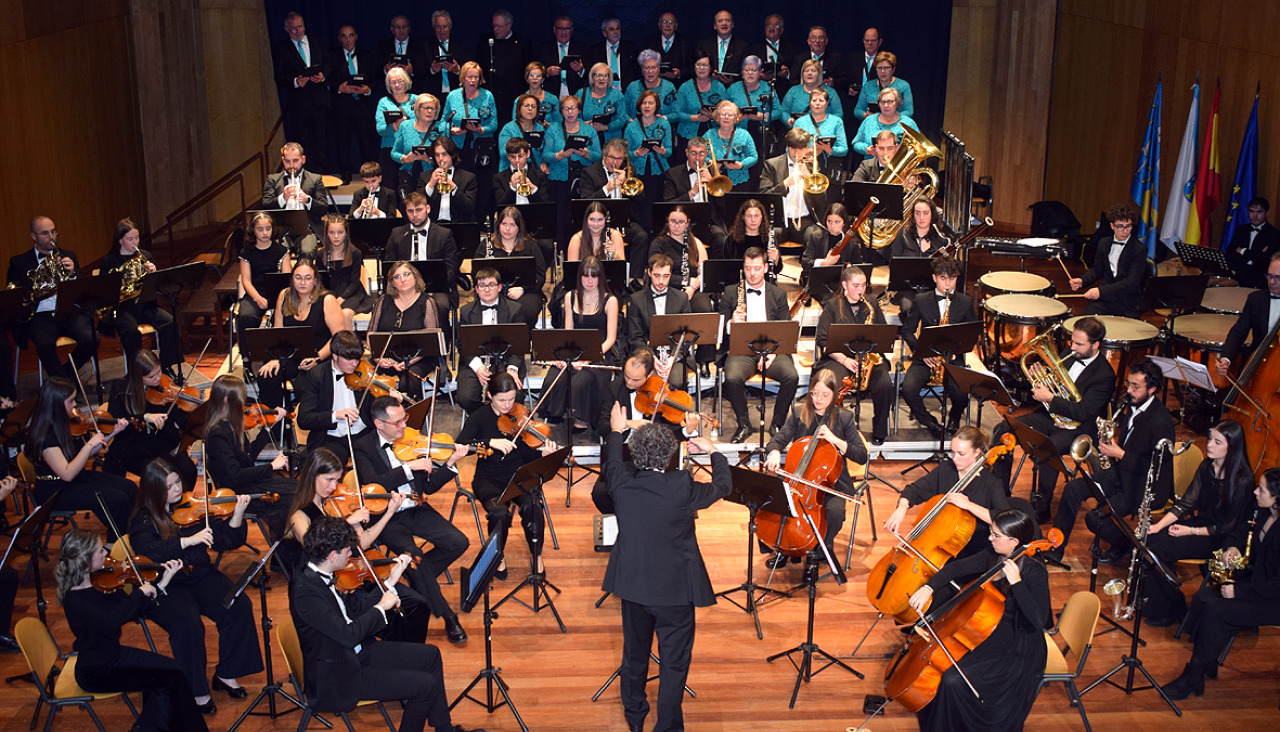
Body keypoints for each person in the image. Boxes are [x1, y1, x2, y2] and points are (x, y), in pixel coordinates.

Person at [289, 515, 483, 732]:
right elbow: (349, 635)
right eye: (347, 551)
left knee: (431, 655)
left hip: (354, 653)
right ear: (333, 555)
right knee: (426, 686)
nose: (351, 555)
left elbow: (355, 611)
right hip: (340, 675)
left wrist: (390, 582)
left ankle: (445, 729)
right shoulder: (306, 593)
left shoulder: (323, 572)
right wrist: (381, 607)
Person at [602, 410, 729, 732]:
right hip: (675, 591)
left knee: (635, 653)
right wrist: (713, 451)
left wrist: (616, 431)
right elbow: (723, 485)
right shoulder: (682, 486)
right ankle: (668, 727)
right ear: (670, 453)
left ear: (635, 455)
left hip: (633, 586)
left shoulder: (621, 483)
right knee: (674, 664)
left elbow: (612, 462)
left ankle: (635, 716)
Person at [128, 458, 263, 712]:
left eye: (177, 482)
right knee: (188, 625)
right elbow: (149, 552)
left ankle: (227, 673)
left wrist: (237, 515)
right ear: (154, 491)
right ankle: (195, 690)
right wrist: (187, 541)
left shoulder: (193, 506)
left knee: (238, 605)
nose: (177, 489)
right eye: (169, 487)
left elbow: (225, 540)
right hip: (167, 583)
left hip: (198, 573)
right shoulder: (143, 520)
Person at [906, 509, 1050, 732]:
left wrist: (1017, 583)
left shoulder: (1035, 571)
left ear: (1014, 542)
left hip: (1018, 644)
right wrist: (928, 588)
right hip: (987, 629)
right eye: (992, 532)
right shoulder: (994, 555)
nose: (990, 538)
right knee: (939, 673)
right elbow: (956, 567)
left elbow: (1039, 619)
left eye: (996, 536)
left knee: (952, 680)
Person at [55, 529, 209, 728]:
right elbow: (110, 621)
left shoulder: (101, 581)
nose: (106, 553)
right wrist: (138, 594)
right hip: (97, 671)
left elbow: (133, 613)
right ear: (85, 560)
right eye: (100, 551)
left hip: (113, 656)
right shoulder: (75, 599)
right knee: (170, 678)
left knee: (171, 673)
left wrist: (162, 584)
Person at [353, 396, 471, 643]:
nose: (404, 425)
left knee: (458, 542)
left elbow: (428, 487)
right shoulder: (362, 447)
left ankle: (414, 575)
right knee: (415, 556)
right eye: (397, 422)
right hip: (387, 517)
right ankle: (448, 616)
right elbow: (374, 484)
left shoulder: (411, 440)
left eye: (404, 418)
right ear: (379, 423)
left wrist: (450, 464)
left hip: (416, 509)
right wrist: (409, 468)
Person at [1162, 467, 1280, 700]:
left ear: (1277, 498)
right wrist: (1232, 547)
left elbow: (1276, 586)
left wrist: (1238, 591)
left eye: (1262, 490)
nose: (1255, 492)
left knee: (1217, 610)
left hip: (1272, 600)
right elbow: (1241, 531)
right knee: (1203, 597)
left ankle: (1194, 675)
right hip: (1255, 583)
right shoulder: (1264, 512)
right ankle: (1208, 662)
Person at [1049, 359, 1174, 562]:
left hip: (1143, 486)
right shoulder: (1132, 404)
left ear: (1152, 389)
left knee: (1094, 519)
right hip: (1122, 473)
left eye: (1136, 386)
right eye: (1128, 384)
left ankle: (1125, 544)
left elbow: (1155, 468)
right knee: (1073, 489)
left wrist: (1120, 454)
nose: (1129, 390)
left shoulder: (1161, 422)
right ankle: (1056, 547)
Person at [990, 316, 1114, 521]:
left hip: (1078, 428)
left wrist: (1050, 398)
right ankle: (1001, 495)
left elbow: (1084, 412)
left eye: (1079, 344)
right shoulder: (1069, 354)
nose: (1073, 347)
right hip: (1051, 417)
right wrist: (1038, 379)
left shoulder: (1105, 375)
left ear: (1096, 345)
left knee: (1049, 447)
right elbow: (1052, 387)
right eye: (1072, 341)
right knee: (1003, 429)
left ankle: (1042, 508)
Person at [1141, 420, 1256, 627]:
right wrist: (1158, 526)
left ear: (1231, 447)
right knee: (1149, 541)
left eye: (1217, 442)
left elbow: (1226, 527)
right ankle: (1159, 603)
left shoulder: (1243, 481)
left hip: (1220, 539)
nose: (1209, 445)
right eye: (1211, 439)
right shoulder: (1207, 466)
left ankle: (1174, 609)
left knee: (1159, 552)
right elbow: (1186, 503)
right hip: (1199, 526)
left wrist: (1189, 531)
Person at [455, 372, 561, 578]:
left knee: (533, 507)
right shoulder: (479, 417)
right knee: (499, 514)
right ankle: (498, 555)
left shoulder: (520, 415)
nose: (507, 405)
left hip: (519, 475)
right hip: (489, 478)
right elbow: (461, 445)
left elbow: (527, 453)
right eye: (501, 400)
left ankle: (536, 555)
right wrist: (489, 442)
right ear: (490, 396)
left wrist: (543, 454)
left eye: (511, 399)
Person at [763, 368, 868, 566]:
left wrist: (835, 440)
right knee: (773, 501)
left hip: (831, 483)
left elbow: (861, 455)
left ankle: (819, 549)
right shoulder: (799, 413)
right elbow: (776, 441)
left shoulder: (845, 418)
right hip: (798, 478)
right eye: (815, 393)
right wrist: (774, 452)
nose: (819, 399)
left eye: (825, 395)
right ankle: (784, 547)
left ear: (834, 395)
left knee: (835, 512)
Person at [25, 377, 135, 539]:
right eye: (71, 401)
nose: (75, 404)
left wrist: (112, 433)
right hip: (55, 490)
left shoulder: (66, 423)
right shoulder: (46, 436)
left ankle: (132, 533)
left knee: (129, 487)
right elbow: (67, 474)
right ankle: (114, 542)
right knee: (117, 500)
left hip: (76, 478)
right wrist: (89, 445)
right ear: (56, 404)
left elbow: (83, 456)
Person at [590, 347, 696, 514]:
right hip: (624, 456)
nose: (629, 383)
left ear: (649, 375)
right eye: (627, 376)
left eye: (636, 380)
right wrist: (628, 423)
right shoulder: (614, 388)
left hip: (654, 459)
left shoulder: (660, 392)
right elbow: (602, 426)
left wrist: (687, 431)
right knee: (600, 493)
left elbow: (671, 435)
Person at [887, 427, 1011, 564]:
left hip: (971, 551)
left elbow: (1004, 520)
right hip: (937, 542)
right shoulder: (946, 470)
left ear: (977, 452)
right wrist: (902, 508)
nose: (955, 459)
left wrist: (969, 505)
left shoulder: (991, 482)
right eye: (953, 452)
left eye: (961, 454)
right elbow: (914, 490)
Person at [719, 247, 798, 442]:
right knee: (732, 378)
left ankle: (778, 423)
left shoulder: (778, 294)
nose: (752, 273)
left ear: (765, 268)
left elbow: (785, 328)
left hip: (773, 350)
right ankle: (744, 424)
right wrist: (732, 323)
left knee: (791, 376)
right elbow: (718, 330)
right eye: (748, 268)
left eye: (756, 268)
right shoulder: (730, 293)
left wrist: (773, 353)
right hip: (741, 351)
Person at [203, 375, 295, 542]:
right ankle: (284, 549)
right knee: (291, 497)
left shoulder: (231, 424)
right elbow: (235, 476)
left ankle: (289, 545)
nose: (244, 404)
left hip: (247, 483)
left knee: (297, 488)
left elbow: (248, 457)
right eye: (240, 399)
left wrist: (269, 427)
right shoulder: (218, 435)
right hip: (237, 492)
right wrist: (271, 467)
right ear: (226, 400)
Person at [8, 216, 97, 381]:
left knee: (92, 338)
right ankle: (64, 385)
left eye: (53, 232)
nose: (51, 237)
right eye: (45, 233)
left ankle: (65, 378)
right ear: (33, 236)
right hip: (40, 316)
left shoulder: (68, 255)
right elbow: (14, 297)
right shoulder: (19, 262)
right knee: (44, 344)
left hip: (67, 312)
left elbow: (82, 291)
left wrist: (72, 274)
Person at [899, 256, 979, 438]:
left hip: (953, 359)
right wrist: (922, 352)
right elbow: (908, 331)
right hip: (926, 358)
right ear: (934, 278)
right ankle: (929, 422)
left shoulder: (966, 302)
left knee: (961, 394)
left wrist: (957, 351)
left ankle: (954, 418)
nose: (948, 283)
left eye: (952, 278)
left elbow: (972, 334)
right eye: (943, 278)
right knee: (908, 388)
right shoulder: (921, 300)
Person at [813, 266, 892, 444]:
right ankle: (834, 430)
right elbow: (822, 340)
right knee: (834, 383)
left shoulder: (871, 302)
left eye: (863, 285)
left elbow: (885, 334)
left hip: (868, 358)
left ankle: (880, 429)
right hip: (839, 358)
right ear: (845, 285)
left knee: (885, 384)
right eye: (856, 286)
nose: (860, 290)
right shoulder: (833, 305)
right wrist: (844, 359)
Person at [255, 257, 345, 409]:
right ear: (292, 279)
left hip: (320, 357)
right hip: (290, 355)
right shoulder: (284, 296)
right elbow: (278, 331)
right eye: (298, 277)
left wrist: (317, 358)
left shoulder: (327, 300)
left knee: (304, 388)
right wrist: (275, 358)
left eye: (307, 278)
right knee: (266, 376)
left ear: (315, 280)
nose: (302, 282)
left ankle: (303, 419)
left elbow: (339, 337)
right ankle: (280, 417)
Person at [103, 349, 198, 489]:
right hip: (136, 448)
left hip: (163, 443)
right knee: (160, 478)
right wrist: (144, 417)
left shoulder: (165, 386)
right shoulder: (121, 388)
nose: (158, 378)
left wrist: (195, 420)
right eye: (151, 376)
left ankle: (180, 501)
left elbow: (178, 416)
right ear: (137, 376)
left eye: (159, 371)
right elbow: (116, 420)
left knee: (189, 471)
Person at [543, 255, 620, 427]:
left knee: (579, 382)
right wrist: (563, 357)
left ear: (600, 278)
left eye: (594, 276)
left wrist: (588, 359)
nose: (590, 281)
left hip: (600, 354)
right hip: (574, 351)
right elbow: (568, 332)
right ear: (580, 277)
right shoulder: (570, 297)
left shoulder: (610, 301)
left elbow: (610, 339)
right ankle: (557, 413)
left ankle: (581, 418)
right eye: (586, 276)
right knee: (553, 378)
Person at [99, 218, 180, 375]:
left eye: (137, 238)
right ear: (120, 240)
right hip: (123, 308)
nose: (135, 242)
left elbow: (157, 287)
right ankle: (137, 372)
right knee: (131, 332)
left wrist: (154, 274)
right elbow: (105, 290)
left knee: (169, 321)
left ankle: (166, 367)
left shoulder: (145, 256)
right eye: (130, 239)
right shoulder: (109, 261)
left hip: (146, 305)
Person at [295, 330, 378, 461]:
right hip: (331, 438)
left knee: (380, 464)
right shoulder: (317, 375)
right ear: (335, 356)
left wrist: (388, 399)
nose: (354, 364)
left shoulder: (364, 372)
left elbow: (374, 410)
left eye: (357, 358)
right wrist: (336, 415)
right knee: (330, 467)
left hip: (363, 434)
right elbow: (304, 419)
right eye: (349, 359)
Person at [366, 263, 444, 399]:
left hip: (419, 358)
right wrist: (378, 358)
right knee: (368, 377)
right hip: (386, 358)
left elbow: (431, 341)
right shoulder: (383, 300)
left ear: (415, 277)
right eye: (397, 277)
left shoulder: (427, 302)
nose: (402, 279)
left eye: (406, 274)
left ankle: (409, 411)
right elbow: (371, 332)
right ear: (392, 283)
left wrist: (409, 362)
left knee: (408, 382)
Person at [455, 268, 525, 413]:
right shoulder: (466, 311)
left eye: (491, 285)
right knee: (466, 397)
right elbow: (462, 344)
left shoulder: (515, 309)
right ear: (476, 289)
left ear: (499, 287)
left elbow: (519, 344)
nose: (487, 289)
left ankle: (503, 419)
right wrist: (478, 368)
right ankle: (484, 417)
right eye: (482, 285)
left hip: (506, 361)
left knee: (514, 396)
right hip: (476, 361)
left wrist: (512, 369)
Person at [384, 191, 460, 315]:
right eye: (410, 211)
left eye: (419, 210)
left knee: (440, 305)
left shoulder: (444, 234)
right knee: (388, 305)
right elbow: (390, 267)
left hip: (436, 288)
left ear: (427, 209)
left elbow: (451, 269)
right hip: (404, 287)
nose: (415, 215)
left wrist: (431, 288)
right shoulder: (396, 234)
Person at [1069, 203, 1148, 318]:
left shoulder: (1139, 249)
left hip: (1127, 302)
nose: (1125, 231)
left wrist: (1100, 291)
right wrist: (1082, 280)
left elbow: (1131, 282)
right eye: (1120, 226)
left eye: (1128, 226)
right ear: (1112, 226)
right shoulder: (1104, 243)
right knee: (1087, 321)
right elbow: (1097, 270)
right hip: (1105, 299)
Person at [272, 13, 329, 174]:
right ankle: (306, 175)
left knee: (321, 139)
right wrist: (296, 82)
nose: (298, 31)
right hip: (299, 104)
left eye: (300, 27)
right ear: (286, 29)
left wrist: (322, 76)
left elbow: (328, 64)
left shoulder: (317, 42)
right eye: (293, 29)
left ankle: (323, 175)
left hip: (319, 101)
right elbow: (279, 77)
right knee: (303, 141)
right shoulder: (281, 49)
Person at [626, 254, 691, 391]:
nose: (661, 281)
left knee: (676, 382)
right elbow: (635, 337)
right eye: (657, 275)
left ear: (671, 274)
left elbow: (686, 335)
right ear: (649, 273)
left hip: (675, 354)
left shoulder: (682, 298)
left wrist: (672, 358)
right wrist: (652, 359)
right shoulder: (636, 300)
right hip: (647, 354)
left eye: (666, 276)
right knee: (646, 383)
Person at [544, 94, 602, 246]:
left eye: (573, 108)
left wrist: (586, 154)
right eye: (565, 109)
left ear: (579, 110)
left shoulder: (588, 130)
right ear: (561, 111)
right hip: (559, 181)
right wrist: (560, 155)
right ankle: (561, 253)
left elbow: (598, 156)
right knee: (560, 220)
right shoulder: (553, 129)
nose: (569, 112)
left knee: (580, 217)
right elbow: (545, 154)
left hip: (582, 181)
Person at [1217, 251, 1280, 379]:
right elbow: (1238, 332)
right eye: (1269, 276)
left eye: (1278, 277)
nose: (1272, 282)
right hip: (1257, 365)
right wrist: (1225, 358)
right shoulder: (1256, 299)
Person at [761, 128, 828, 246]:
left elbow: (822, 200)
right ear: (787, 147)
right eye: (793, 148)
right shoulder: (772, 164)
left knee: (817, 236)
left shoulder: (812, 166)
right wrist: (785, 184)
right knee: (768, 237)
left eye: (801, 149)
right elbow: (763, 195)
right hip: (780, 220)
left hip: (804, 220)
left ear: (807, 148)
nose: (796, 153)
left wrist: (809, 178)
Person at [327, 24, 377, 181]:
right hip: (342, 106)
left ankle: (369, 174)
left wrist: (368, 89)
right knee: (342, 141)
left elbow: (375, 79)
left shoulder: (367, 56)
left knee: (366, 141)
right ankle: (345, 174)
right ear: (339, 38)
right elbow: (327, 79)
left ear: (356, 36)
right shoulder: (332, 56)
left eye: (351, 35)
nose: (348, 39)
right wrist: (339, 88)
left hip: (362, 105)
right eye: (344, 36)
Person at [235, 210, 293, 342]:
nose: (265, 232)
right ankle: (248, 353)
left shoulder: (282, 251)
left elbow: (286, 280)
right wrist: (258, 299)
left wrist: (278, 301)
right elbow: (246, 281)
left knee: (286, 317)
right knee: (246, 316)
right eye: (260, 229)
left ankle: (278, 351)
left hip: (278, 295)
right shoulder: (246, 252)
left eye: (268, 228)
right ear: (253, 231)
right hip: (254, 295)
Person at [261, 142, 328, 254]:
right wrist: (283, 198)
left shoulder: (315, 179)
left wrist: (307, 200)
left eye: (295, 160)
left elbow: (323, 208)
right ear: (283, 160)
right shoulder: (273, 179)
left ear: (303, 159)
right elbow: (266, 205)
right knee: (278, 253)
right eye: (287, 161)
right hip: (281, 230)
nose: (291, 165)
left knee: (307, 251)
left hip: (307, 230)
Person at [487, 206, 548, 327]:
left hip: (527, 292)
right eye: (504, 224)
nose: (507, 229)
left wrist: (523, 289)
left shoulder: (531, 247)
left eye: (512, 225)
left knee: (527, 312)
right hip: (494, 291)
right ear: (498, 225)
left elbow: (540, 276)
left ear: (519, 227)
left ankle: (524, 338)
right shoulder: (487, 245)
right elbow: (477, 273)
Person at [623, 89, 673, 232]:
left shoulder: (664, 124)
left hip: (659, 172)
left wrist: (663, 151)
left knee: (657, 206)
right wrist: (636, 153)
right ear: (639, 105)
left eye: (650, 103)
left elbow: (670, 150)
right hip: (639, 173)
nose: (647, 106)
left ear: (656, 106)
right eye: (644, 103)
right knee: (641, 208)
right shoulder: (631, 126)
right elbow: (624, 153)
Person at [646, 206, 712, 313]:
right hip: (668, 286)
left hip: (693, 287)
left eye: (681, 222)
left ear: (687, 223)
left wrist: (692, 287)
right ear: (668, 221)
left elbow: (704, 273)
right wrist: (686, 281)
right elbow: (657, 274)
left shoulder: (695, 243)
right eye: (673, 221)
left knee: (704, 308)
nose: (676, 226)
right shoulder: (658, 243)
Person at [801, 203, 885, 281]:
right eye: (829, 221)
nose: (832, 226)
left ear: (844, 222)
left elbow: (857, 267)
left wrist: (850, 268)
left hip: (842, 282)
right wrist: (824, 263)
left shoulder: (852, 242)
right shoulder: (816, 237)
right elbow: (805, 262)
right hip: (819, 280)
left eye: (837, 222)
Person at [477, 10, 534, 125]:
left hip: (513, 96)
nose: (496, 29)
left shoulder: (522, 43)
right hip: (491, 95)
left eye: (499, 26)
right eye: (494, 26)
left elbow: (528, 69)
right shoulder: (485, 42)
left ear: (508, 26)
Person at [442, 61, 499, 171]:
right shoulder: (452, 96)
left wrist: (481, 130)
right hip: (458, 146)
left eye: (476, 77)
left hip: (481, 146)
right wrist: (451, 130)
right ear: (463, 78)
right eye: (469, 77)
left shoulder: (487, 96)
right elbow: (443, 122)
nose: (473, 80)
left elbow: (494, 123)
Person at [726, 55, 784, 162]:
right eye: (747, 69)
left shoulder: (768, 88)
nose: (750, 73)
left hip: (761, 135)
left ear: (760, 72)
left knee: (759, 165)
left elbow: (779, 111)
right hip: (737, 134)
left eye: (754, 70)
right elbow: (723, 111)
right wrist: (736, 118)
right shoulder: (733, 89)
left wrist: (763, 116)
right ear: (742, 72)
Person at [320, 215, 371, 330]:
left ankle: (348, 342)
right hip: (330, 294)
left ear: (346, 233)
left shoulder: (355, 253)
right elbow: (321, 282)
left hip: (351, 293)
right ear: (326, 234)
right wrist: (330, 299)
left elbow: (354, 282)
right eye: (332, 233)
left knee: (345, 314)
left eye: (340, 232)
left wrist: (340, 299)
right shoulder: (321, 254)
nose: (336, 236)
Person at [392, 93, 447, 199]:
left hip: (433, 177)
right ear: (417, 108)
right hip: (408, 178)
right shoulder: (405, 126)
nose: (429, 111)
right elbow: (394, 153)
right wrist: (405, 158)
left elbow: (449, 157)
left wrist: (429, 160)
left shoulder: (441, 127)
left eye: (433, 108)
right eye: (426, 108)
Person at [375, 67, 417, 191]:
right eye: (393, 82)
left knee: (413, 190)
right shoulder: (384, 102)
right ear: (389, 85)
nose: (397, 85)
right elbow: (380, 130)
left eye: (400, 81)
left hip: (413, 150)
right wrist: (395, 125)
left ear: (406, 81)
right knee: (390, 190)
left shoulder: (417, 99)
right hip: (390, 150)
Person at [1225, 197, 1280, 289]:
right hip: (1239, 274)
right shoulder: (1241, 230)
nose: (1254, 216)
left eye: (1259, 212)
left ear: (1267, 213)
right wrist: (1255, 255)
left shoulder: (1274, 233)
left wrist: (1242, 250)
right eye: (1251, 211)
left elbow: (1265, 260)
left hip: (1259, 278)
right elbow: (1230, 254)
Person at [671, 55, 726, 143]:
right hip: (688, 137)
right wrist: (697, 118)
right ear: (694, 67)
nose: (701, 68)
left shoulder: (719, 87)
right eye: (698, 64)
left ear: (711, 68)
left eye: (705, 65)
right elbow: (676, 114)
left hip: (714, 136)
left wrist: (713, 116)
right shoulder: (685, 87)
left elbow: (727, 112)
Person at [422, 138, 478, 223]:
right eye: (437, 155)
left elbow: (469, 207)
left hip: (458, 225)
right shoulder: (424, 176)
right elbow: (417, 205)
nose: (440, 158)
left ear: (452, 155)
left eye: (444, 154)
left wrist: (453, 187)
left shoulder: (468, 178)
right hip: (433, 225)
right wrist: (430, 184)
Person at [720, 199, 782, 276]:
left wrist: (776, 259)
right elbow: (724, 268)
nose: (753, 220)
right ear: (743, 217)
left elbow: (777, 270)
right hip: (738, 280)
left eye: (756, 216)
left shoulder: (769, 237)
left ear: (762, 217)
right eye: (749, 216)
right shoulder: (731, 239)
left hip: (763, 281)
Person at [793, 88, 846, 175]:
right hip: (805, 168)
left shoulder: (837, 121)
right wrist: (806, 153)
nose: (817, 103)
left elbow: (844, 149)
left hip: (830, 168)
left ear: (827, 104)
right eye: (814, 100)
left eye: (821, 100)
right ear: (810, 103)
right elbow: (789, 149)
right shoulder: (800, 122)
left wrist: (829, 150)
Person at [850, 87, 916, 158]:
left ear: (897, 103)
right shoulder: (869, 120)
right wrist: (867, 150)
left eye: (890, 102)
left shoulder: (908, 123)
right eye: (882, 102)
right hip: (871, 163)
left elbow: (917, 147)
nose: (886, 105)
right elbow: (856, 143)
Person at [706, 100, 758, 187]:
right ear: (717, 117)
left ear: (736, 118)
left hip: (739, 182)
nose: (726, 117)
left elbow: (754, 157)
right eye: (723, 114)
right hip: (714, 181)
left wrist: (741, 165)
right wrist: (710, 162)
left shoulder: (744, 135)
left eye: (730, 115)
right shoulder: (708, 135)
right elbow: (700, 155)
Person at [498, 92, 553, 174]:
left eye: (533, 106)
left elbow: (544, 151)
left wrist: (543, 162)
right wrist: (523, 146)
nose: (530, 108)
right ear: (519, 109)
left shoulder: (540, 127)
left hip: (534, 171)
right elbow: (503, 154)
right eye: (526, 106)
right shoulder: (508, 128)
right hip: (512, 171)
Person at [789, 27, 846, 105]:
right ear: (808, 41)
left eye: (821, 38)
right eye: (814, 38)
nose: (817, 41)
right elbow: (792, 81)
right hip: (803, 99)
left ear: (826, 41)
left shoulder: (836, 58)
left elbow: (844, 80)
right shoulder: (800, 59)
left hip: (829, 100)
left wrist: (833, 82)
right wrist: (807, 83)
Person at [853, 51, 914, 122]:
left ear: (893, 69)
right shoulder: (868, 86)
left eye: (886, 68)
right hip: (873, 123)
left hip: (896, 124)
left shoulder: (903, 85)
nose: (882, 71)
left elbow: (909, 111)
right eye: (879, 68)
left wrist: (893, 117)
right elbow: (857, 110)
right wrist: (866, 115)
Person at [782, 59, 844, 127]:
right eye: (806, 71)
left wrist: (827, 124)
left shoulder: (830, 92)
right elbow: (783, 111)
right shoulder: (793, 91)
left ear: (819, 74)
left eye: (813, 71)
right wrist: (789, 121)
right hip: (799, 130)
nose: (809, 73)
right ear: (802, 74)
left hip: (823, 130)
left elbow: (838, 113)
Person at [420, 10, 467, 99]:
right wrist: (432, 70)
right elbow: (418, 70)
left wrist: (456, 69)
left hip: (456, 92)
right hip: (433, 94)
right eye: (438, 27)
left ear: (450, 26)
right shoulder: (425, 45)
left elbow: (468, 66)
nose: (442, 30)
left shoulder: (460, 44)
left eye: (444, 27)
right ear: (433, 27)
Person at [378, 15, 428, 94]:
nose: (401, 30)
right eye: (398, 27)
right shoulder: (383, 46)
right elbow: (376, 70)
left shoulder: (419, 45)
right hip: (390, 91)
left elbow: (424, 70)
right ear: (392, 29)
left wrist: (412, 71)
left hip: (413, 90)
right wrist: (386, 70)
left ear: (409, 29)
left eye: (404, 27)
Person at [539, 16, 587, 100]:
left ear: (572, 30)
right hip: (551, 95)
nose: (564, 32)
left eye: (567, 29)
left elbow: (589, 75)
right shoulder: (544, 48)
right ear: (554, 29)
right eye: (561, 28)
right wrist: (547, 72)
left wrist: (580, 70)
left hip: (576, 95)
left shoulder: (582, 48)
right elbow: (536, 71)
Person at [746, 15, 799, 91]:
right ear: (765, 28)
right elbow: (746, 69)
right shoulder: (753, 48)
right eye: (769, 25)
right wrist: (758, 75)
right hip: (759, 88)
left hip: (784, 90)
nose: (771, 28)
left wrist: (787, 73)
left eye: (776, 26)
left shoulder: (791, 48)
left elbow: (797, 72)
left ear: (781, 30)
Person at [624, 50, 678, 123]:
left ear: (658, 69)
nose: (650, 71)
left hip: (662, 128)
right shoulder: (632, 87)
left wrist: (664, 118)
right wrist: (632, 122)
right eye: (647, 68)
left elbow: (676, 113)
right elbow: (623, 112)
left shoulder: (669, 87)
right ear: (642, 70)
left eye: (654, 67)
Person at [579, 62, 627, 143]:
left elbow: (622, 119)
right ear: (592, 77)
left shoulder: (617, 95)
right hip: (588, 140)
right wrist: (583, 125)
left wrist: (605, 127)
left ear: (609, 79)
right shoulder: (581, 94)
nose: (601, 78)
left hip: (612, 142)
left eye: (605, 75)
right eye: (597, 75)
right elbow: (574, 117)